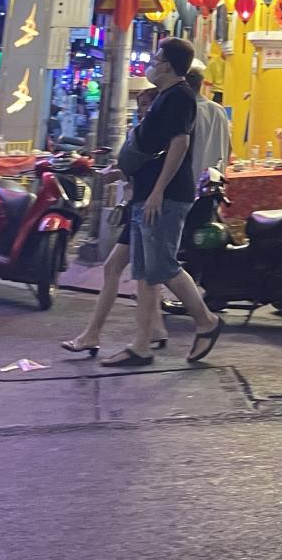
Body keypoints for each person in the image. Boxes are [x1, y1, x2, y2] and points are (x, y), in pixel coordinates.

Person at [102, 37, 222, 369]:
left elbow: (179, 145)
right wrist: (123, 170)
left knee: (163, 266)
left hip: (164, 198)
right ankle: (141, 345)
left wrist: (157, 190)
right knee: (146, 273)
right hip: (147, 195)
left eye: (156, 57)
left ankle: (206, 321)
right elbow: (151, 146)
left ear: (167, 64)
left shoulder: (180, 97)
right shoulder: (166, 97)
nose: (151, 63)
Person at [63, 81, 166, 357]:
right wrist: (118, 172)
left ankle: (200, 322)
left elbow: (142, 170)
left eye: (147, 106)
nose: (142, 111)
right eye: (140, 106)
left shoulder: (155, 135)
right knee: (130, 270)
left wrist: (119, 173)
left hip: (145, 207)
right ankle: (146, 330)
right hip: (139, 206)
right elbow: (133, 168)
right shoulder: (149, 133)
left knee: (155, 273)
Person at [186, 65, 231, 184]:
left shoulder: (187, 110)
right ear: (201, 83)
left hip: (190, 180)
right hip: (214, 179)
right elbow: (229, 147)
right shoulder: (219, 110)